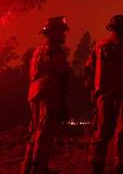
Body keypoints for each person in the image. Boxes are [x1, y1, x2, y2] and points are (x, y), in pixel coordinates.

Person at [86, 15, 123, 174]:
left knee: (101, 129)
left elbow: (88, 69)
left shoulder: (99, 45)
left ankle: (96, 165)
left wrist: (94, 91)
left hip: (104, 93)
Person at [21, 16, 71, 174]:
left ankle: (27, 168)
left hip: (34, 93)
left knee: (35, 132)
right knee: (45, 133)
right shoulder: (55, 50)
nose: (64, 35)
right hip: (49, 93)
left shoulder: (36, 51)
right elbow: (63, 73)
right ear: (54, 33)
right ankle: (39, 169)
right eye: (62, 32)